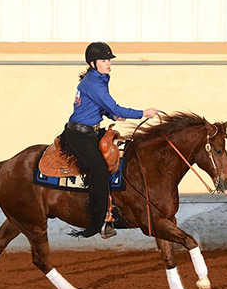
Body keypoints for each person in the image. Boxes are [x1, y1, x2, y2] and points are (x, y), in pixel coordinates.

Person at [61, 42, 158, 239]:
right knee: (99, 170)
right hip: (79, 135)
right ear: (93, 63)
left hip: (91, 131)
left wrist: (113, 117)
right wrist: (142, 113)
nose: (108, 64)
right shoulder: (94, 82)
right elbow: (113, 106)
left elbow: (101, 106)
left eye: (108, 60)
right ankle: (97, 222)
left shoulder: (99, 79)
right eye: (104, 60)